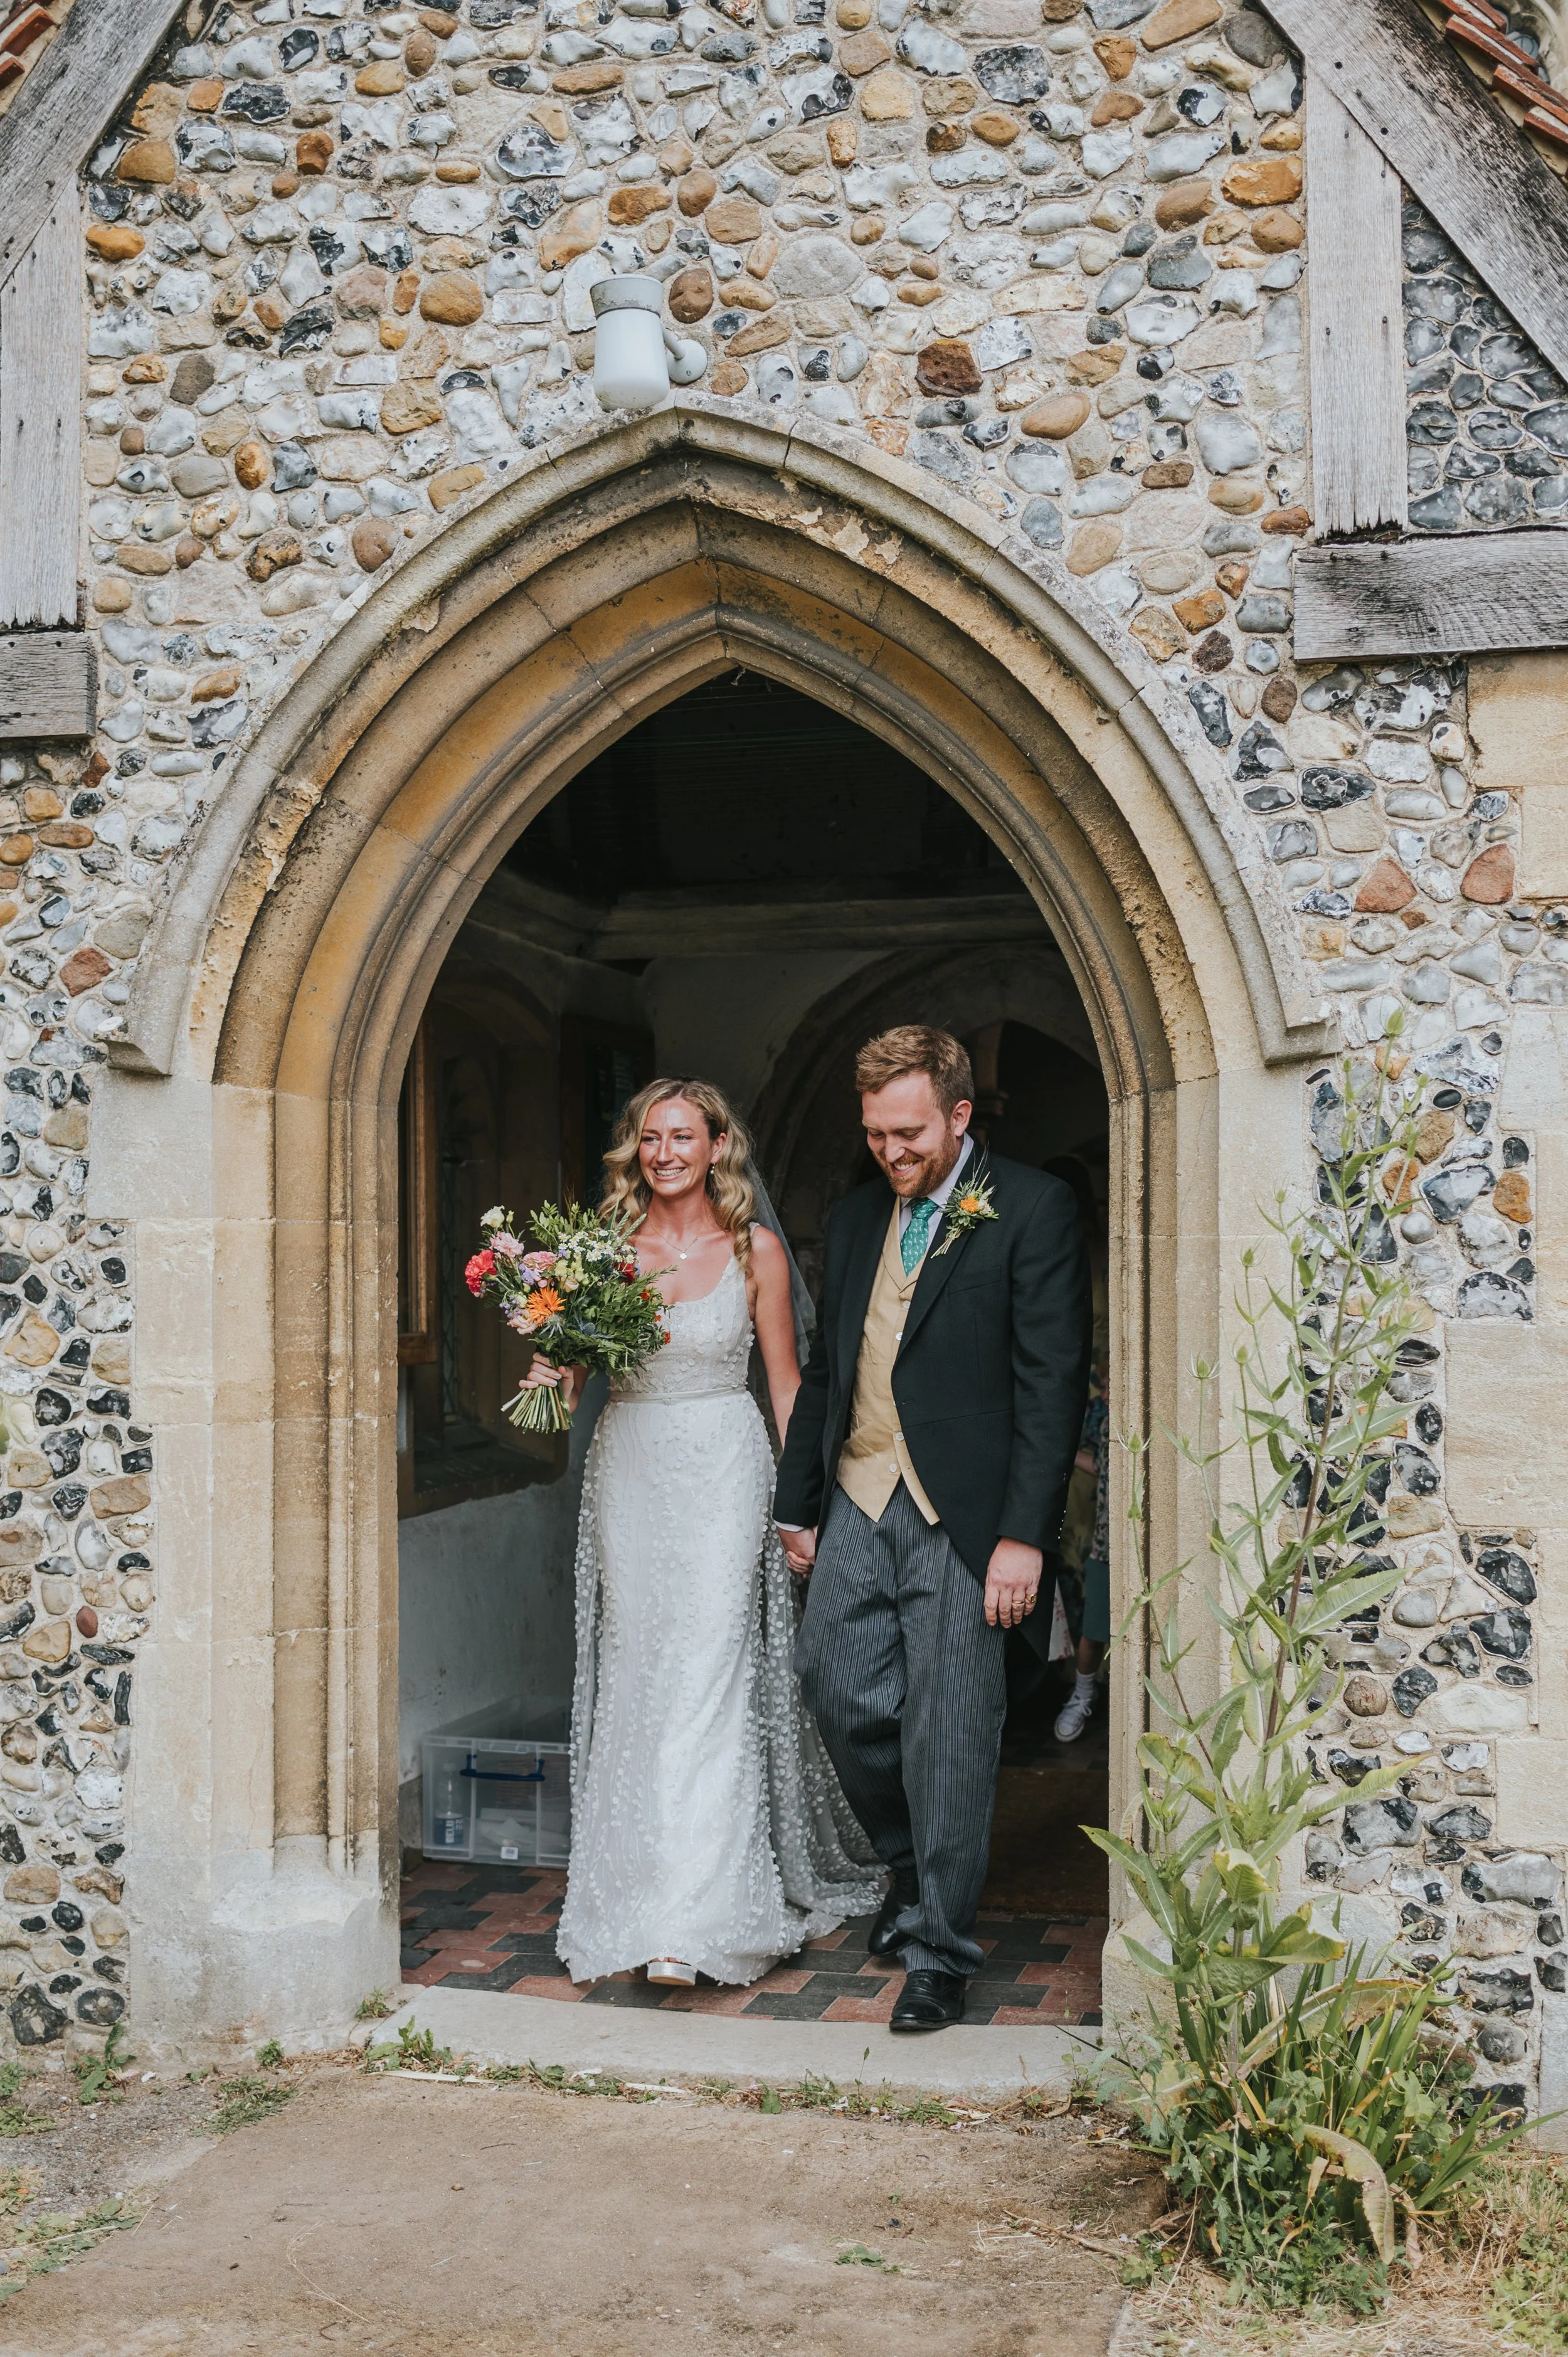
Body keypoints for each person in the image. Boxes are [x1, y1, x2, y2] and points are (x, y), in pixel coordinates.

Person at [523, 1077, 880, 1990]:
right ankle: (635, 1902)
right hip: (634, 1468)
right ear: (635, 1149)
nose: (666, 1152)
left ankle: (699, 1917)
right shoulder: (598, 1253)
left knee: (710, 1676)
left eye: (683, 1135)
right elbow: (563, 1396)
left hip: (726, 1468)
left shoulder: (755, 1249)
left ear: (718, 1145)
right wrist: (545, 1360)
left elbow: (789, 1387)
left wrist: (809, 1502)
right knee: (644, 1672)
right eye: (651, 1137)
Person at [774, 1027, 1091, 2031]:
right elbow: (829, 1366)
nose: (891, 1152)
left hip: (968, 1516)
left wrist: (1025, 1535)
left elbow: (1052, 1386)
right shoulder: (860, 1211)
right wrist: (796, 1499)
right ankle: (913, 1865)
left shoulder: (1034, 1207)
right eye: (874, 1133)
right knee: (835, 1681)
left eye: (907, 1132)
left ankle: (941, 1953)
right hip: (862, 1491)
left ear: (960, 1115)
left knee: (951, 1731)